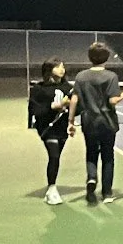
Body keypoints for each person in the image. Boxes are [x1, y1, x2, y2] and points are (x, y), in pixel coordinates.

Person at [68, 42, 123, 205]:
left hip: (88, 122)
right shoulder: (111, 76)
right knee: (108, 157)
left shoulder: (81, 76)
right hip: (107, 123)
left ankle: (91, 179)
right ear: (106, 58)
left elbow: (74, 99)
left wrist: (70, 121)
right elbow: (114, 100)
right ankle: (107, 193)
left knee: (91, 153)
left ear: (90, 57)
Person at [28, 58, 74, 205]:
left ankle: (51, 185)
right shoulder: (38, 89)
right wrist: (54, 106)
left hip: (62, 128)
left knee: (56, 157)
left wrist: (71, 115)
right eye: (58, 66)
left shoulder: (67, 88)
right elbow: (35, 110)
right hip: (47, 128)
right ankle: (52, 189)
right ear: (49, 70)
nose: (62, 69)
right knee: (53, 156)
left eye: (63, 66)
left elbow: (76, 108)